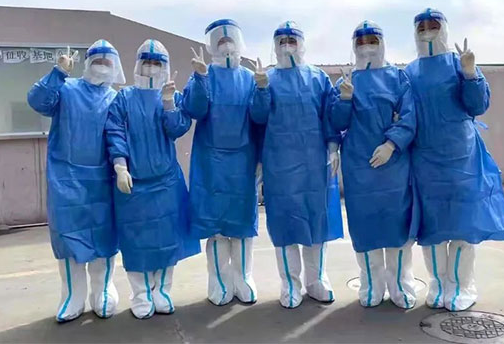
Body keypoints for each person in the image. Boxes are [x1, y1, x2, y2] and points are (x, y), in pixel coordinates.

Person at [405, 8, 504, 311]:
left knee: (464, 225)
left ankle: (463, 286)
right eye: (422, 26)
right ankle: (439, 285)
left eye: (433, 25)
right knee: (433, 228)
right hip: (425, 159)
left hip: (462, 157)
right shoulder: (409, 73)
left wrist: (470, 73)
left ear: (444, 28)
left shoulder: (458, 64)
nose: (427, 31)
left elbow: (478, 105)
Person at [27, 39, 125, 322]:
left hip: (103, 180)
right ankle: (73, 296)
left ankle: (102, 291)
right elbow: (38, 101)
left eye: (107, 62)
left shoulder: (115, 99)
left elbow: (119, 136)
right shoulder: (66, 89)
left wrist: (121, 167)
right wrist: (58, 72)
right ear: (87, 63)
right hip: (66, 179)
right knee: (69, 239)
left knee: (104, 239)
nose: (102, 67)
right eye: (97, 61)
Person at [250, 21, 343, 309]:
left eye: (292, 40)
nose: (287, 46)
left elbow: (329, 115)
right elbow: (257, 118)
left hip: (314, 163)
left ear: (302, 44)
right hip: (279, 164)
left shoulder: (317, 78)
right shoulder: (267, 78)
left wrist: (333, 146)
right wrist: (261, 89)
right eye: (282, 41)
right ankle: (290, 283)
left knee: (316, 222)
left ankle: (316, 280)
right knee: (285, 223)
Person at [105, 39, 200, 318]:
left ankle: (162, 291)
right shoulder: (124, 98)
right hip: (133, 184)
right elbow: (114, 132)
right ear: (138, 64)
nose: (151, 67)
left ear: (165, 66)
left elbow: (178, 129)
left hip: (166, 182)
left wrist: (169, 103)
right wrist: (120, 166)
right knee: (136, 243)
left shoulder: (172, 95)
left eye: (157, 63)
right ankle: (141, 293)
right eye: (146, 61)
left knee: (167, 240)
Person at [330, 21, 417, 309]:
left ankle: (401, 285)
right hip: (359, 167)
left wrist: (391, 144)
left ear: (382, 43)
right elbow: (336, 122)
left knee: (396, 225)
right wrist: (345, 99)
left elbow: (409, 116)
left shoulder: (398, 78)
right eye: (361, 41)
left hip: (394, 167)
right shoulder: (346, 81)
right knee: (365, 226)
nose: (367, 46)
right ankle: (371, 284)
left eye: (372, 40)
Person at [182, 19, 260, 306]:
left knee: (241, 226)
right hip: (211, 163)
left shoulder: (249, 78)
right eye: (221, 41)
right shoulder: (203, 75)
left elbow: (260, 118)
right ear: (212, 45)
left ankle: (243, 278)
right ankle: (219, 282)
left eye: (230, 40)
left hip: (243, 162)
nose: (226, 45)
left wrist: (263, 90)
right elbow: (194, 109)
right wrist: (201, 78)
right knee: (216, 228)